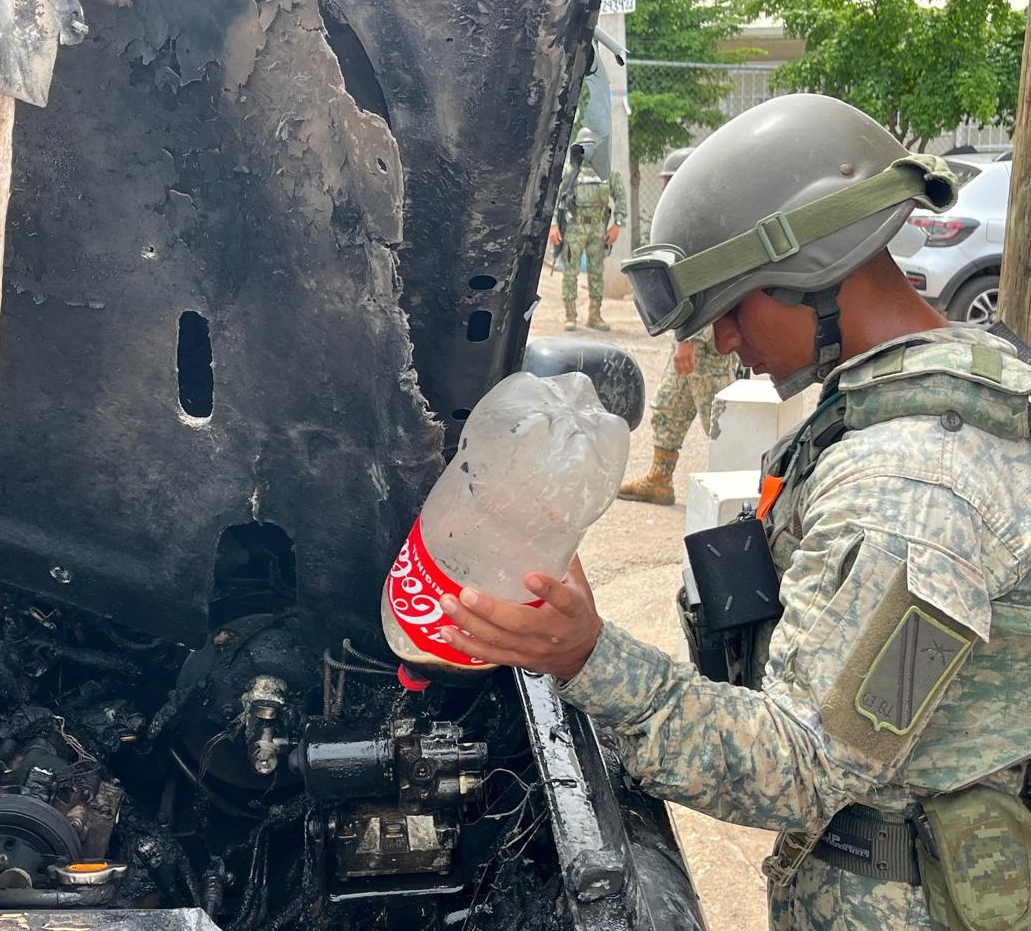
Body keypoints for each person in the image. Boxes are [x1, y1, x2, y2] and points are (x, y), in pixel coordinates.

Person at [433, 95, 1031, 930]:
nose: (719, 342)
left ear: (813, 266)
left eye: (735, 304)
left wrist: (588, 658)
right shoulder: (884, 410)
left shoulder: (915, 488)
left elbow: (802, 767)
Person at [619, 146, 741, 505]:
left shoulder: (706, 224)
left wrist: (689, 336)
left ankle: (738, 492)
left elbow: (711, 285)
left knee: (718, 420)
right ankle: (660, 479)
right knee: (668, 407)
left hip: (706, 339)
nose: (666, 189)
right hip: (687, 337)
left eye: (670, 182)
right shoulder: (687, 220)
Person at [549, 127, 627, 332]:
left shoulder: (607, 172)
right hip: (574, 226)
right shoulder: (569, 171)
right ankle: (570, 315)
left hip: (598, 228)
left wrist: (617, 224)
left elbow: (621, 197)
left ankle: (594, 315)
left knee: (596, 272)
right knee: (570, 272)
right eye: (584, 146)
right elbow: (554, 199)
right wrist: (553, 226)